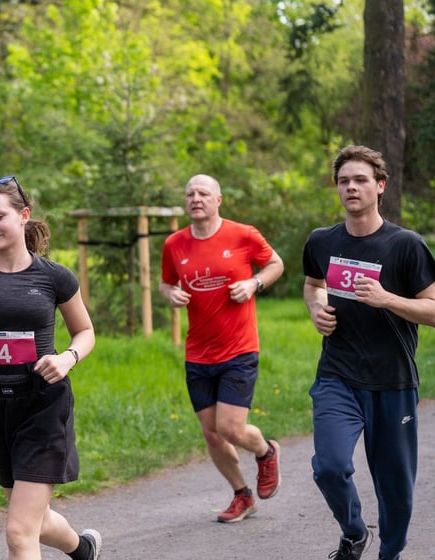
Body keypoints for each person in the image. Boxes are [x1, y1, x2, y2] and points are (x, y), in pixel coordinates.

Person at [0, 175, 101, 560]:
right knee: (32, 520)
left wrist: (66, 358)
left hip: (43, 403)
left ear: (23, 216)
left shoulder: (54, 276)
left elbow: (85, 332)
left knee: (18, 531)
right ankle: (83, 549)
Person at [302, 145, 435, 560]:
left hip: (392, 381)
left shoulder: (406, 245)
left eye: (360, 180)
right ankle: (355, 531)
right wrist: (316, 310)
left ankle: (389, 554)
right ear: (336, 188)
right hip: (337, 376)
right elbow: (312, 283)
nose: (351, 187)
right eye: (344, 181)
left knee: (396, 488)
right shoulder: (321, 241)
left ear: (380, 186)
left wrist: (387, 299)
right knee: (329, 466)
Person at [159, 173, 284, 523]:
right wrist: (171, 295)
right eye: (190, 194)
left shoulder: (243, 234)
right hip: (198, 352)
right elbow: (164, 285)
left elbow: (277, 264)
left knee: (230, 428)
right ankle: (242, 495)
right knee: (211, 433)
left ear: (218, 200)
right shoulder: (174, 244)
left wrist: (254, 282)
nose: (195, 198)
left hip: (239, 349)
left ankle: (265, 450)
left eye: (203, 193)